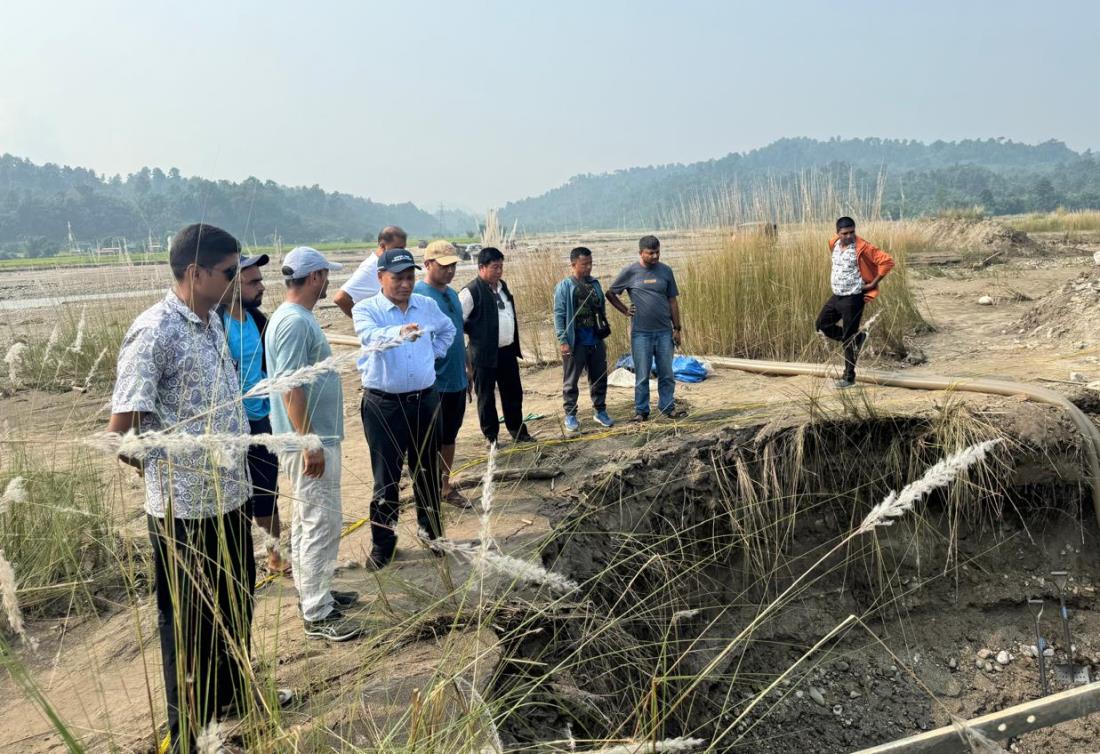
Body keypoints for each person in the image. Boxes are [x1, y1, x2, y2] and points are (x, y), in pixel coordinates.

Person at [107, 223, 254, 752]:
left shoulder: (211, 319)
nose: (237, 280)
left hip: (232, 498)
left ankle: (234, 709)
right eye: (229, 271)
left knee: (237, 606)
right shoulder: (152, 331)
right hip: (184, 513)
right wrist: (169, 470)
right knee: (191, 627)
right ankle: (193, 733)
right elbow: (119, 435)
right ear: (195, 273)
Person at [266, 246, 363, 641]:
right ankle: (317, 613)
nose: (328, 283)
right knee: (319, 522)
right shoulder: (293, 322)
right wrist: (310, 443)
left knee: (315, 522)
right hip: (308, 441)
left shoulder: (296, 318)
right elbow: (292, 388)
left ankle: (315, 592)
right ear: (316, 278)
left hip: (313, 437)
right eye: (326, 275)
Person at [353, 248, 456, 568]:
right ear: (380, 277)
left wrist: (432, 354)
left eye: (410, 277)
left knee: (426, 470)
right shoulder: (366, 309)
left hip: (424, 400)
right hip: (384, 406)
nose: (405, 284)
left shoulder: (425, 305)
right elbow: (369, 338)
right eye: (397, 278)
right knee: (386, 477)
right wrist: (398, 333)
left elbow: (448, 330)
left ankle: (432, 533)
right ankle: (384, 544)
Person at [217, 253, 289, 575]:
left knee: (266, 489)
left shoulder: (261, 320)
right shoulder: (215, 324)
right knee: (231, 496)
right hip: (229, 424)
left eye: (261, 279)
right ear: (232, 284)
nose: (262, 286)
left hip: (261, 418)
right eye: (254, 281)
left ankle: (274, 556)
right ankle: (232, 561)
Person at [459, 247, 535, 447]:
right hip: (482, 354)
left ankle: (518, 432)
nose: (499, 271)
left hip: (507, 351)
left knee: (513, 392)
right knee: (485, 397)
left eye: (501, 266)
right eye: (495, 267)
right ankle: (491, 437)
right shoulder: (470, 292)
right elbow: (457, 324)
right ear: (481, 267)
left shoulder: (503, 287)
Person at [413, 241, 470, 506]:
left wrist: (467, 369)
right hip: (433, 384)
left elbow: (458, 335)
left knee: (450, 437)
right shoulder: (418, 297)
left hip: (457, 379)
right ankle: (429, 492)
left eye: (453, 266)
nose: (450, 271)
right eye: (444, 266)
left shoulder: (454, 295)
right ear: (427, 265)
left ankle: (445, 487)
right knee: (429, 442)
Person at [607, 235, 685, 421]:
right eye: (651, 253)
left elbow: (672, 300)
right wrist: (625, 310)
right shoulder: (630, 272)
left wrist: (677, 328)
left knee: (667, 373)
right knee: (642, 375)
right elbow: (610, 293)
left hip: (665, 332)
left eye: (658, 252)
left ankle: (667, 407)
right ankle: (641, 411)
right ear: (641, 252)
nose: (656, 256)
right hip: (641, 334)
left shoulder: (666, 271)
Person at [815, 216, 895, 388]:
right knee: (822, 324)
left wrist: (874, 283)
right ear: (838, 233)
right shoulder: (834, 243)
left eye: (852, 232)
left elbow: (887, 261)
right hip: (837, 295)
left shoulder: (863, 247)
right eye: (845, 233)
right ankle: (859, 338)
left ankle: (849, 378)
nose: (849, 236)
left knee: (847, 338)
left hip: (853, 298)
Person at [553, 246, 613, 432]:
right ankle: (570, 414)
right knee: (571, 380)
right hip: (575, 341)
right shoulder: (565, 286)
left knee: (599, 376)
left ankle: (600, 411)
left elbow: (601, 308)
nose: (588, 268)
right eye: (584, 264)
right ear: (573, 264)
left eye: (590, 263)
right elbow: (559, 314)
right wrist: (563, 340)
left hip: (595, 339)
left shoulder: (595, 284)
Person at [333, 225, 407, 317]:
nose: (401, 253)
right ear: (382, 246)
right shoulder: (370, 267)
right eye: (397, 248)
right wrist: (364, 322)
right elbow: (341, 298)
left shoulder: (388, 264)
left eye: (403, 249)